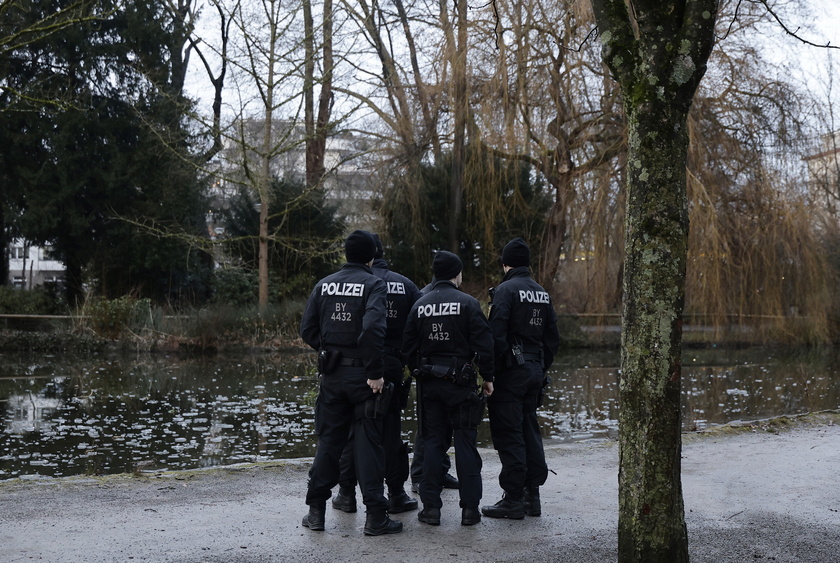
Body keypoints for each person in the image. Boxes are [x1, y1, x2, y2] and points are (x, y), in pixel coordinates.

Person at [299, 230, 403, 536]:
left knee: (329, 443)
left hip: (332, 376)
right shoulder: (374, 284)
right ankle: (375, 518)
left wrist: (330, 350)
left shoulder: (324, 284)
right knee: (369, 443)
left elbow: (307, 329)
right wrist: (374, 372)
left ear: (346, 254)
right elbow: (372, 329)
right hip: (364, 378)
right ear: (371, 256)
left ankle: (316, 512)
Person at [402, 251, 494, 527]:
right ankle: (469, 511)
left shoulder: (420, 304)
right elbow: (485, 344)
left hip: (430, 387)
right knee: (465, 443)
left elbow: (406, 348)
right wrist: (487, 377)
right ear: (457, 274)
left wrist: (420, 369)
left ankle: (430, 509)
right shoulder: (468, 303)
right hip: (462, 385)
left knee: (432, 444)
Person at [331, 234, 421, 515]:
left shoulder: (350, 284)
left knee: (352, 432)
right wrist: (406, 360)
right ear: (379, 253)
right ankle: (395, 494)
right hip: (390, 365)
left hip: (355, 366)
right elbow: (417, 328)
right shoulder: (405, 284)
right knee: (391, 432)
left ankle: (346, 494)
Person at [481, 238, 560, 519]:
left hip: (511, 373)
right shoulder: (541, 292)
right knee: (529, 428)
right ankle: (532, 497)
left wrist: (490, 372)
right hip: (535, 371)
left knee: (508, 432)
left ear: (506, 264)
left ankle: (513, 498)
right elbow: (552, 338)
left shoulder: (505, 291)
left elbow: (496, 336)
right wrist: (539, 367)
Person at [410, 275, 459, 493]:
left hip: (445, 371)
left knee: (444, 425)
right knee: (427, 429)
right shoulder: (424, 297)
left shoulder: (438, 296)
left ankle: (441, 469)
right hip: (429, 371)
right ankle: (419, 475)